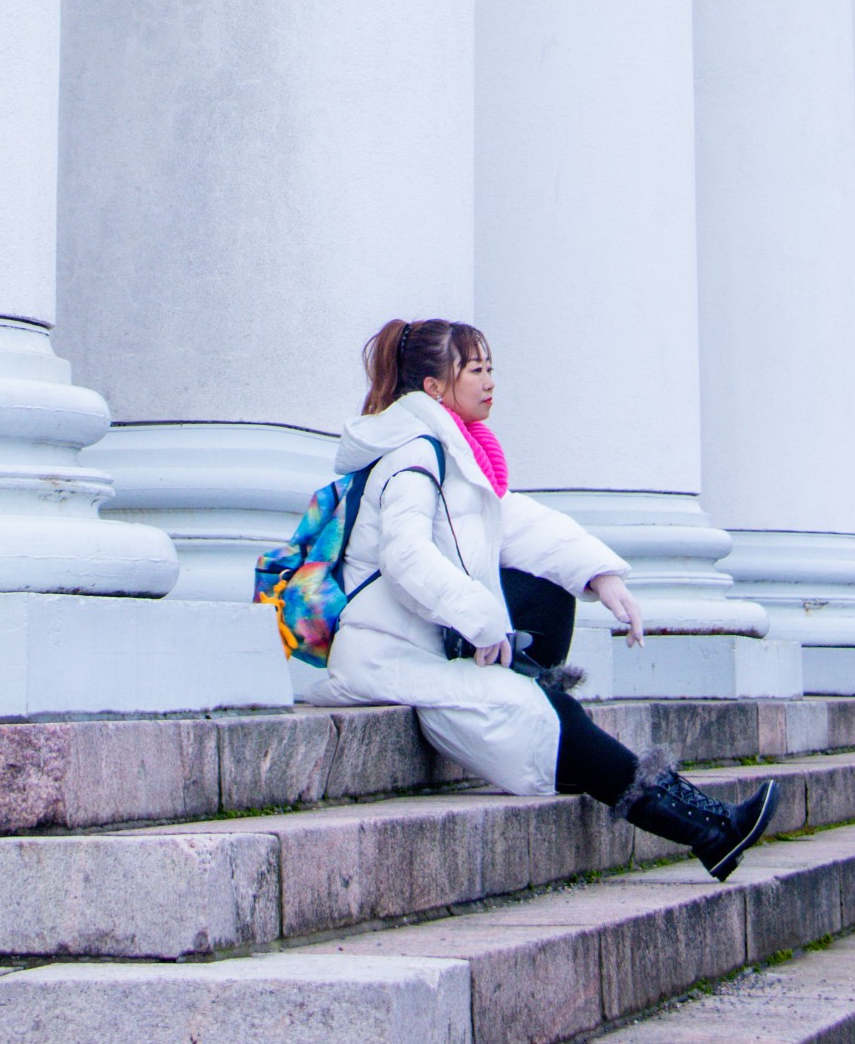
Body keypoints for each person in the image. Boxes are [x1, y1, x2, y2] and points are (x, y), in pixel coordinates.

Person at [317, 316, 778, 882]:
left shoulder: (448, 452)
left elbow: (512, 524)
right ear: (434, 388)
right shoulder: (411, 458)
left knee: (551, 604)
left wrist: (601, 575)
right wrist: (484, 622)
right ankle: (710, 829)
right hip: (388, 659)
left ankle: (710, 826)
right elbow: (405, 558)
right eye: (476, 371)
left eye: (491, 370)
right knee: (546, 715)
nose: (490, 383)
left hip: (422, 647)